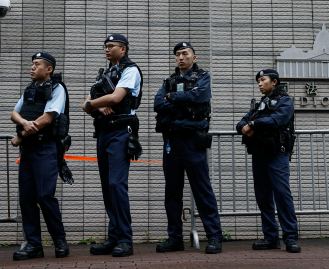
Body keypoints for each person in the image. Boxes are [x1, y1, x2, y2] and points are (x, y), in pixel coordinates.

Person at [153, 42, 223, 254]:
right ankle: (175, 238)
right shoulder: (169, 81)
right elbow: (157, 104)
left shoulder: (202, 78)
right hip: (172, 142)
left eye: (185, 53)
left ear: (194, 57)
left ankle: (214, 237)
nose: (180, 57)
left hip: (193, 141)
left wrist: (172, 98)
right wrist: (182, 99)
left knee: (202, 190)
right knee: (172, 193)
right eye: (177, 54)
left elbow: (198, 96)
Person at [81, 34, 143, 257]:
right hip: (104, 131)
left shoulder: (130, 70)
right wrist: (97, 106)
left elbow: (116, 98)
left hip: (120, 132)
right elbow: (84, 105)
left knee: (117, 184)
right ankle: (114, 236)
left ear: (123, 49)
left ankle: (125, 240)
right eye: (105, 46)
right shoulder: (104, 73)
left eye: (111, 46)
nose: (106, 50)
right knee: (108, 187)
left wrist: (94, 103)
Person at [10, 52, 71, 260]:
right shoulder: (30, 89)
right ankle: (34, 245)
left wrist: (21, 135)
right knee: (26, 198)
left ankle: (59, 240)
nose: (32, 67)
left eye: (37, 64)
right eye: (32, 64)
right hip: (28, 150)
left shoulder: (57, 88)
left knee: (45, 196)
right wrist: (24, 123)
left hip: (46, 147)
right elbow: (14, 113)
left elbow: (46, 119)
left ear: (49, 69)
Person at [236, 69, 301, 253]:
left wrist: (254, 124)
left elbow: (277, 120)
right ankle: (271, 238)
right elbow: (240, 123)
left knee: (282, 194)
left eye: (263, 80)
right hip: (259, 154)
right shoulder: (258, 105)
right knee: (263, 197)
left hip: (277, 154)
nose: (259, 83)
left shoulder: (285, 101)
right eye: (258, 80)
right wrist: (245, 126)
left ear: (274, 82)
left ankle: (290, 238)